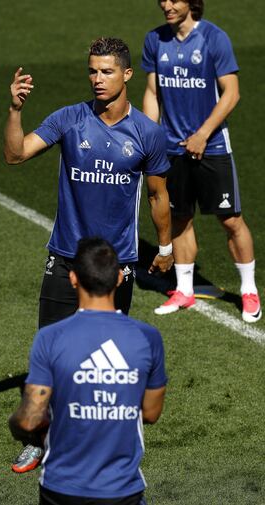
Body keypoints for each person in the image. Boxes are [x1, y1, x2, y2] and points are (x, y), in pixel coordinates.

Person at [4, 37, 173, 329]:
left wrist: (165, 249)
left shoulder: (148, 133)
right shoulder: (68, 119)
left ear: (127, 74)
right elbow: (15, 155)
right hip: (65, 259)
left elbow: (157, 196)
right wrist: (15, 110)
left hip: (115, 265)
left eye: (107, 72)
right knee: (54, 351)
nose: (97, 79)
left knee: (103, 357)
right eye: (93, 71)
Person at [9, 237, 167, 505]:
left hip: (62, 487)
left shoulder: (50, 338)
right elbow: (151, 413)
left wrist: (16, 423)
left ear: (72, 278)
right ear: (119, 278)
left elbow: (30, 420)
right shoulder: (147, 337)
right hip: (121, 489)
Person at [141, 0, 261, 323]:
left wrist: (203, 134)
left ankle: (249, 290)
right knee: (179, 218)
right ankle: (184, 289)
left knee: (231, 220)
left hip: (213, 147)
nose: (166, 4)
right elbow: (153, 93)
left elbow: (231, 93)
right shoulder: (155, 40)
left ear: (191, 2)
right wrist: (150, 138)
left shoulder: (213, 38)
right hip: (172, 148)